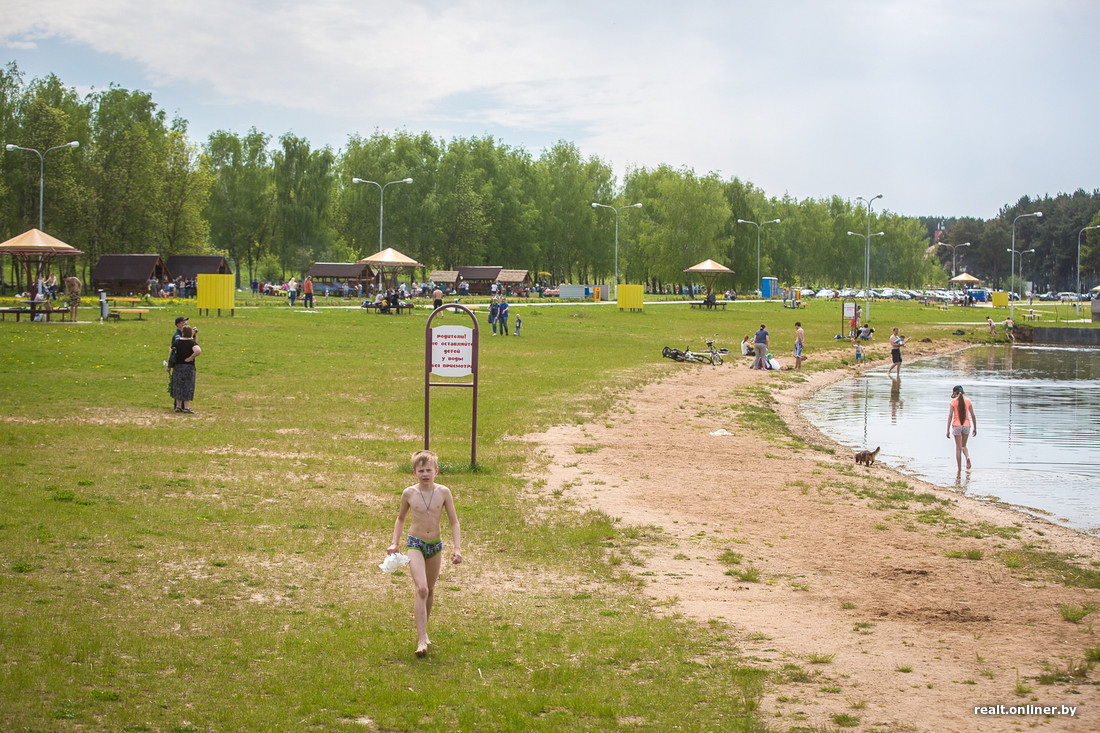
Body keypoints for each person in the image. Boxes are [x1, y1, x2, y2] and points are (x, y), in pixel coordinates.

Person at [387, 450, 462, 657]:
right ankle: (421, 641)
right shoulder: (409, 494)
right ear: (414, 473)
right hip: (415, 543)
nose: (425, 474)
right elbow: (401, 519)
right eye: (421, 471)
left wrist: (457, 548)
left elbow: (454, 521)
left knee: (430, 587)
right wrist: (395, 543)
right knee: (421, 588)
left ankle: (425, 630)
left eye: (429, 470)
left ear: (436, 471)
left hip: (435, 545)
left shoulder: (444, 492)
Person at [170, 325, 201, 413]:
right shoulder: (191, 343)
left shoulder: (177, 341)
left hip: (178, 366)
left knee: (178, 385)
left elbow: (172, 352)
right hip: (188, 367)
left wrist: (169, 366)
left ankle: (178, 406)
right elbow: (198, 350)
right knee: (187, 386)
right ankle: (186, 407)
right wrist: (191, 357)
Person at [946, 385, 977, 471]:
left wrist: (947, 430)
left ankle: (959, 469)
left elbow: (950, 416)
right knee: (964, 446)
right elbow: (973, 416)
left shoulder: (953, 402)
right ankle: (967, 457)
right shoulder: (968, 401)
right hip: (967, 425)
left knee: (958, 448)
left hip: (957, 425)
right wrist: (975, 428)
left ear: (955, 393)